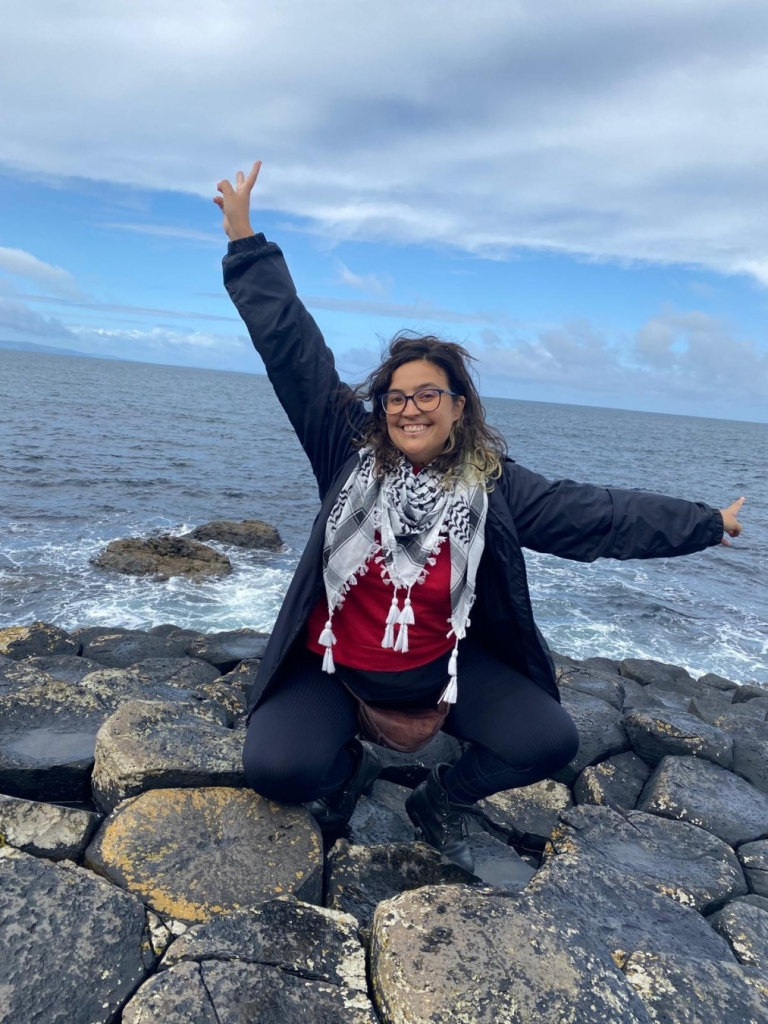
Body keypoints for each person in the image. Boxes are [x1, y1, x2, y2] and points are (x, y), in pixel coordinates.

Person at [215, 161, 745, 871]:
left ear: (460, 406)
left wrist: (706, 523)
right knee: (277, 770)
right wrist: (248, 243)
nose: (410, 407)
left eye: (429, 394)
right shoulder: (344, 452)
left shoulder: (494, 487)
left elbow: (600, 517)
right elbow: (292, 349)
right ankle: (349, 773)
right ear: (381, 410)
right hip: (334, 669)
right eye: (397, 396)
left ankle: (440, 796)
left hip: (443, 673)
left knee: (547, 740)